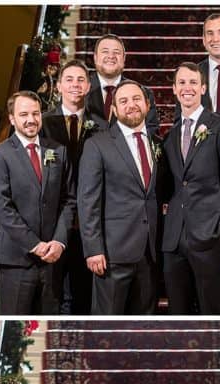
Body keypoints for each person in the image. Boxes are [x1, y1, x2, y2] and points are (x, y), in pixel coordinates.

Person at [160, 63, 220, 314]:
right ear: (174, 89)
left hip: (209, 236)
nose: (188, 88)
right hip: (174, 239)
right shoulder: (170, 136)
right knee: (178, 312)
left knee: (211, 309)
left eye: (193, 83)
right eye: (182, 83)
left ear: (203, 88)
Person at [0, 91, 73, 315]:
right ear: (12, 118)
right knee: (16, 329)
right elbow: (1, 207)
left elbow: (69, 200)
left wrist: (59, 242)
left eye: (35, 113)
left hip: (52, 260)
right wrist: (35, 244)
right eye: (23, 114)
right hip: (16, 260)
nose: (31, 119)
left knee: (47, 329)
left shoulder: (58, 151)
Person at [78, 81, 161, 315]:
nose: (131, 105)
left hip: (150, 252)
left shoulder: (155, 143)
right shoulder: (98, 145)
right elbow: (88, 201)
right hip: (112, 254)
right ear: (114, 110)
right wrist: (93, 248)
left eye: (136, 99)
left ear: (146, 104)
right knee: (107, 322)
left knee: (145, 322)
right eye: (123, 101)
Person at [40, 60, 96, 314]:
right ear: (59, 86)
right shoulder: (41, 124)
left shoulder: (102, 126)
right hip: (52, 223)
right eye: (70, 79)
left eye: (81, 80)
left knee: (84, 295)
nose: (75, 85)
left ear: (88, 86)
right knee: (52, 294)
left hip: (88, 223)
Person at [85, 34, 160, 136]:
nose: (111, 56)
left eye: (116, 52)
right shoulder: (79, 91)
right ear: (95, 57)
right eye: (105, 52)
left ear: (124, 58)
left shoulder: (143, 93)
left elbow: (151, 134)